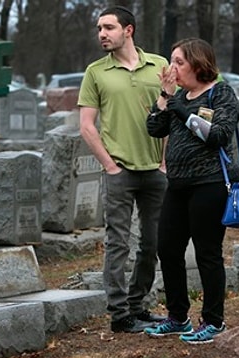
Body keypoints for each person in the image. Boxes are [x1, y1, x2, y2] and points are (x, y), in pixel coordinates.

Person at [143, 38, 239, 345]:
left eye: (179, 62)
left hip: (210, 184)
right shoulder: (178, 96)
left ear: (199, 64)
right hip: (178, 185)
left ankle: (214, 321)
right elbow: (154, 128)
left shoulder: (219, 93)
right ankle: (178, 317)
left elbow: (218, 135)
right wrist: (165, 96)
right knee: (168, 249)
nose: (171, 69)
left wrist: (181, 108)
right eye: (171, 61)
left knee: (207, 253)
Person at [78, 6, 168, 333]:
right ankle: (119, 314)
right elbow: (87, 126)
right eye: (99, 28)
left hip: (155, 172)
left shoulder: (160, 65)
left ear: (128, 30)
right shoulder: (96, 72)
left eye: (109, 27)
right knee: (118, 243)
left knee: (153, 242)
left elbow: (170, 114)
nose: (101, 33)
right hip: (119, 171)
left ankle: (138, 305)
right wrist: (109, 165)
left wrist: (163, 162)